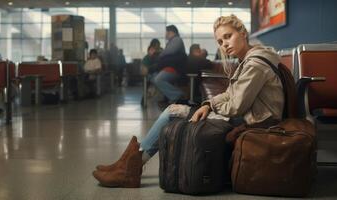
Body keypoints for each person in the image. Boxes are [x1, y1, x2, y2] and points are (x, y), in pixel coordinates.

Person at [92, 14, 284, 188]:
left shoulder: (255, 64)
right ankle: (128, 164)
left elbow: (235, 106)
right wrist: (208, 104)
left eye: (228, 36)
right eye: (220, 41)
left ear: (243, 32)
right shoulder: (250, 60)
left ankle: (131, 166)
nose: (224, 44)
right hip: (249, 115)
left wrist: (209, 107)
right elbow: (230, 94)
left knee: (172, 112)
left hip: (255, 121)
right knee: (176, 110)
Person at [153, 25, 187, 106]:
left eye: (166, 32)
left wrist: (160, 53)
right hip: (170, 67)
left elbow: (168, 52)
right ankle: (168, 97)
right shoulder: (172, 41)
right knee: (153, 77)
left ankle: (178, 95)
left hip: (175, 68)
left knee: (158, 79)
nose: (165, 34)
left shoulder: (177, 40)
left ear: (171, 32)